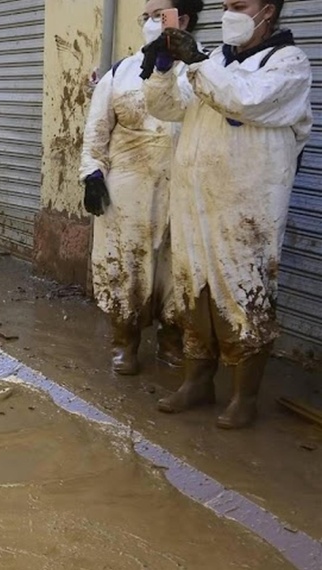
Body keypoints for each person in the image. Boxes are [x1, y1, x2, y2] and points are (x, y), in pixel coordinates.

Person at [143, 0, 312, 428]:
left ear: (268, 11)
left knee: (243, 292)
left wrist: (195, 60)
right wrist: (162, 69)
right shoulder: (216, 58)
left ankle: (244, 396)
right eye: (226, 4)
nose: (229, 12)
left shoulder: (288, 63)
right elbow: (168, 108)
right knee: (192, 286)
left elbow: (244, 100)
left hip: (247, 205)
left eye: (240, 5)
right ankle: (197, 382)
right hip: (196, 199)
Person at [79, 0, 201, 375]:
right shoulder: (122, 72)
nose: (151, 22)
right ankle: (124, 342)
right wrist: (92, 174)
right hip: (127, 189)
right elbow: (97, 129)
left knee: (177, 267)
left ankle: (171, 340)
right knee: (125, 264)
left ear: (184, 20)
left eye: (159, 15)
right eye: (145, 16)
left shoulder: (205, 70)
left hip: (184, 187)